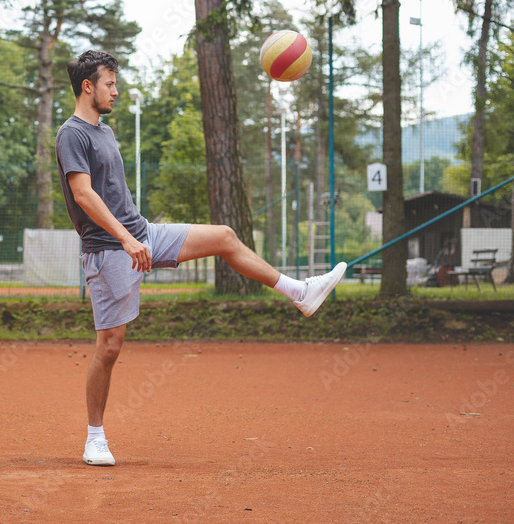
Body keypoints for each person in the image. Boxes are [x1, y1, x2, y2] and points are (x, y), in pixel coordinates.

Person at [55, 49, 347, 467]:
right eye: (110, 84)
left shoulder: (105, 131)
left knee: (225, 236)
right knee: (110, 347)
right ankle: (95, 438)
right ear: (88, 87)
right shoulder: (72, 134)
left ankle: (300, 292)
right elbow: (83, 194)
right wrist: (125, 240)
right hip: (110, 249)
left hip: (143, 233)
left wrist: (136, 235)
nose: (116, 91)